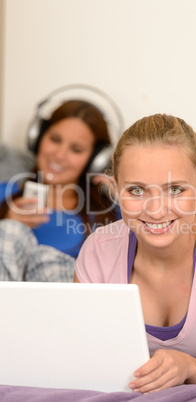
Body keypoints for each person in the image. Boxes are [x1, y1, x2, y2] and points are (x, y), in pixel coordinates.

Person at [74, 114, 196, 393]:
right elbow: (81, 358)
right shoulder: (98, 251)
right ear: (115, 190)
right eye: (136, 190)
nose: (156, 210)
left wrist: (190, 367)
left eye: (175, 189)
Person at [0, 100, 120, 281]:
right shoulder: (4, 195)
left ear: (95, 160)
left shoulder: (110, 214)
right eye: (55, 140)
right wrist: (6, 222)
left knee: (48, 260)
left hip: (67, 303)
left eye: (76, 149)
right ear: (38, 138)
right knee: (10, 231)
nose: (60, 155)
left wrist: (127, 197)